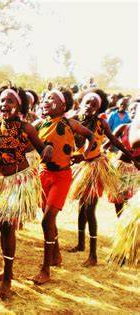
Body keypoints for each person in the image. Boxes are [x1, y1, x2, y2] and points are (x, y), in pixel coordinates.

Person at [0, 82, 53, 299]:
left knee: (8, 227)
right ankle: (5, 269)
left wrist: (47, 150)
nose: (5, 104)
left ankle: (8, 279)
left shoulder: (26, 128)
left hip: (19, 183)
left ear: (20, 106)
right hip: (1, 182)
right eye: (2, 100)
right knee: (3, 228)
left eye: (10, 100)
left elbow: (42, 149)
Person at [31, 87, 94, 285]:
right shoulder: (38, 124)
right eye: (45, 98)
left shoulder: (69, 123)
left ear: (63, 106)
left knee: (47, 220)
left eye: (52, 98)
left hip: (62, 177)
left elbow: (91, 136)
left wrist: (83, 154)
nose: (47, 100)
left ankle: (45, 269)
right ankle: (56, 254)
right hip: (43, 175)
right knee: (48, 219)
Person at [68, 89, 135, 267]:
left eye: (94, 104)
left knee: (90, 209)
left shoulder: (101, 123)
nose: (89, 106)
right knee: (81, 208)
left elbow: (114, 140)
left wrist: (131, 155)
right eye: (87, 102)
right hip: (80, 167)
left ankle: (93, 254)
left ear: (99, 108)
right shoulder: (73, 119)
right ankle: (81, 243)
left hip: (96, 167)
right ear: (81, 102)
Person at [106, 100, 140, 216]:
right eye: (131, 110)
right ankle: (120, 222)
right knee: (119, 199)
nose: (133, 112)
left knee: (131, 200)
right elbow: (106, 144)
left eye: (136, 110)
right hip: (120, 167)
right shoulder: (123, 127)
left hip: (135, 170)